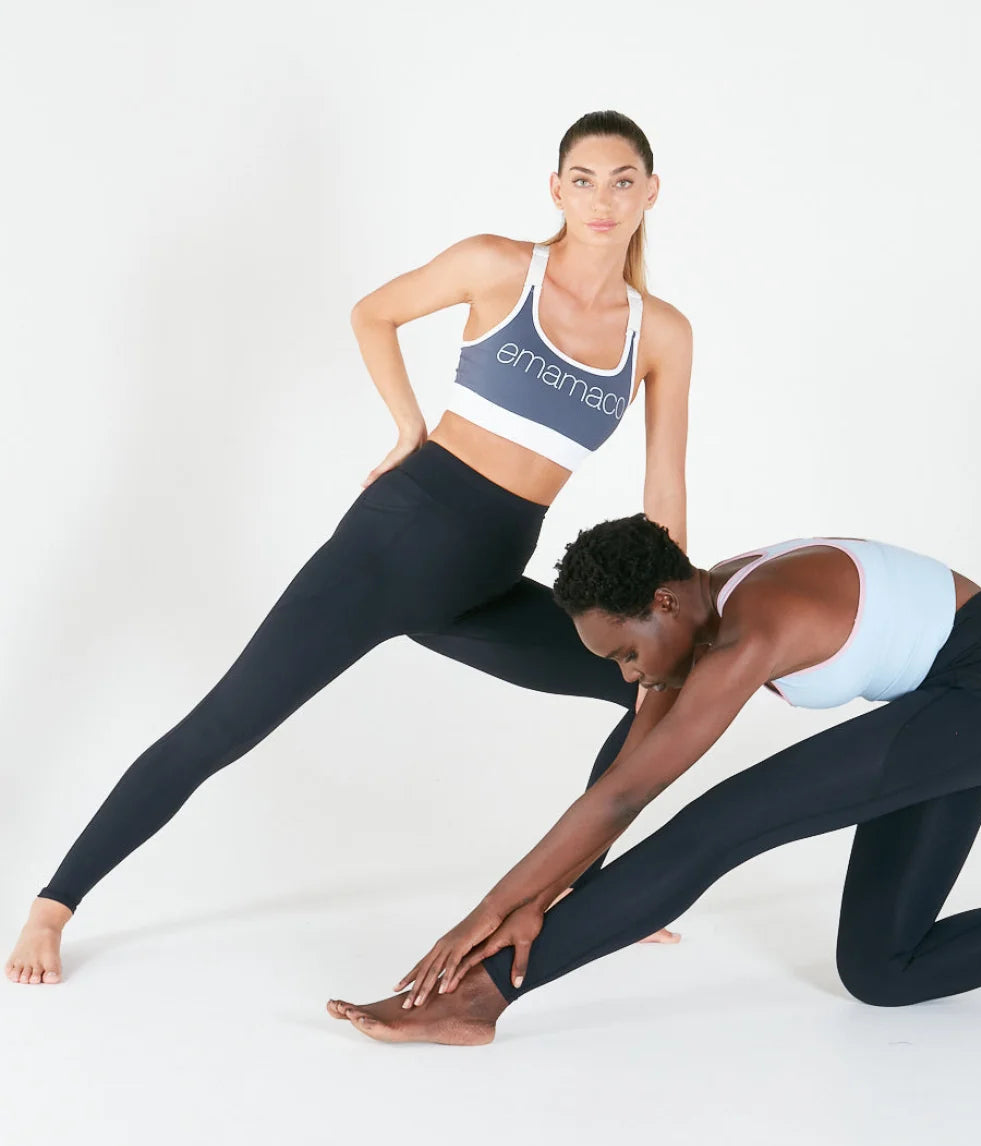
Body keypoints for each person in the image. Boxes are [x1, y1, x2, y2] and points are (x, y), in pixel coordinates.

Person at [6, 111, 693, 986]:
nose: (604, 198)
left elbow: (664, 494)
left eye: (624, 179)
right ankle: (52, 906)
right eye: (585, 180)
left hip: (480, 582)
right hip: (391, 549)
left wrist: (663, 616)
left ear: (651, 193)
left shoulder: (659, 333)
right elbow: (374, 314)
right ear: (556, 190)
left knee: (648, 692)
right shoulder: (497, 266)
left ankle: (578, 899)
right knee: (223, 728)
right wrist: (409, 425)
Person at [327, 514, 981, 1045]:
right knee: (882, 972)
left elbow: (637, 800)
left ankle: (482, 998)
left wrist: (491, 916)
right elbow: (627, 773)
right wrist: (544, 895)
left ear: (664, 603)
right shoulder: (694, 612)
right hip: (943, 703)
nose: (630, 674)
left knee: (721, 827)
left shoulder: (756, 627)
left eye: (627, 653)